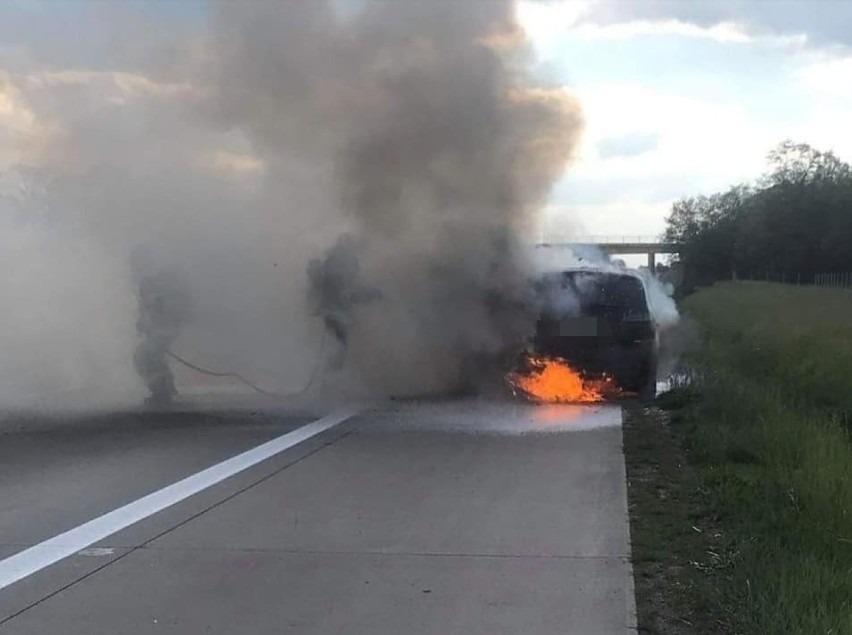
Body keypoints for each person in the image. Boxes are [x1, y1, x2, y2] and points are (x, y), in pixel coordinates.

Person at [306, 235, 381, 371]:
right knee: (340, 348)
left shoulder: (332, 265)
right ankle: (330, 380)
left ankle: (329, 379)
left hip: (332, 313)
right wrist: (376, 294)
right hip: (336, 314)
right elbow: (352, 293)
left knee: (338, 347)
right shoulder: (341, 268)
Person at [133, 268, 193, 406]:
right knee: (150, 359)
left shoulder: (154, 297)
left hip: (162, 333)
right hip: (162, 333)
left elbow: (156, 315)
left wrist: (148, 326)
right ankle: (165, 388)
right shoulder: (152, 296)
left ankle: (162, 391)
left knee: (144, 358)